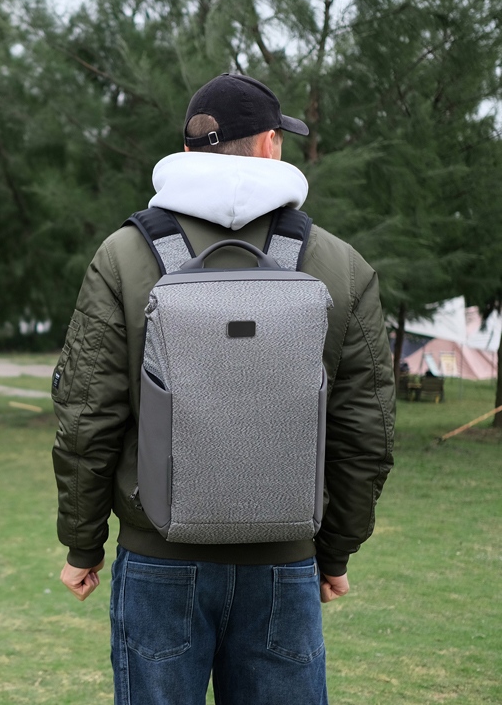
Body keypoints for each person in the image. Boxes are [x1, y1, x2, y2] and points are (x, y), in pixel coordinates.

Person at [50, 73, 395, 704]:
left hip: (158, 557)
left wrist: (82, 542)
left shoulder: (123, 256)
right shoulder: (340, 264)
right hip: (284, 563)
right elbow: (365, 428)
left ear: (187, 151)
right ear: (270, 145)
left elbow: (86, 415)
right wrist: (336, 551)